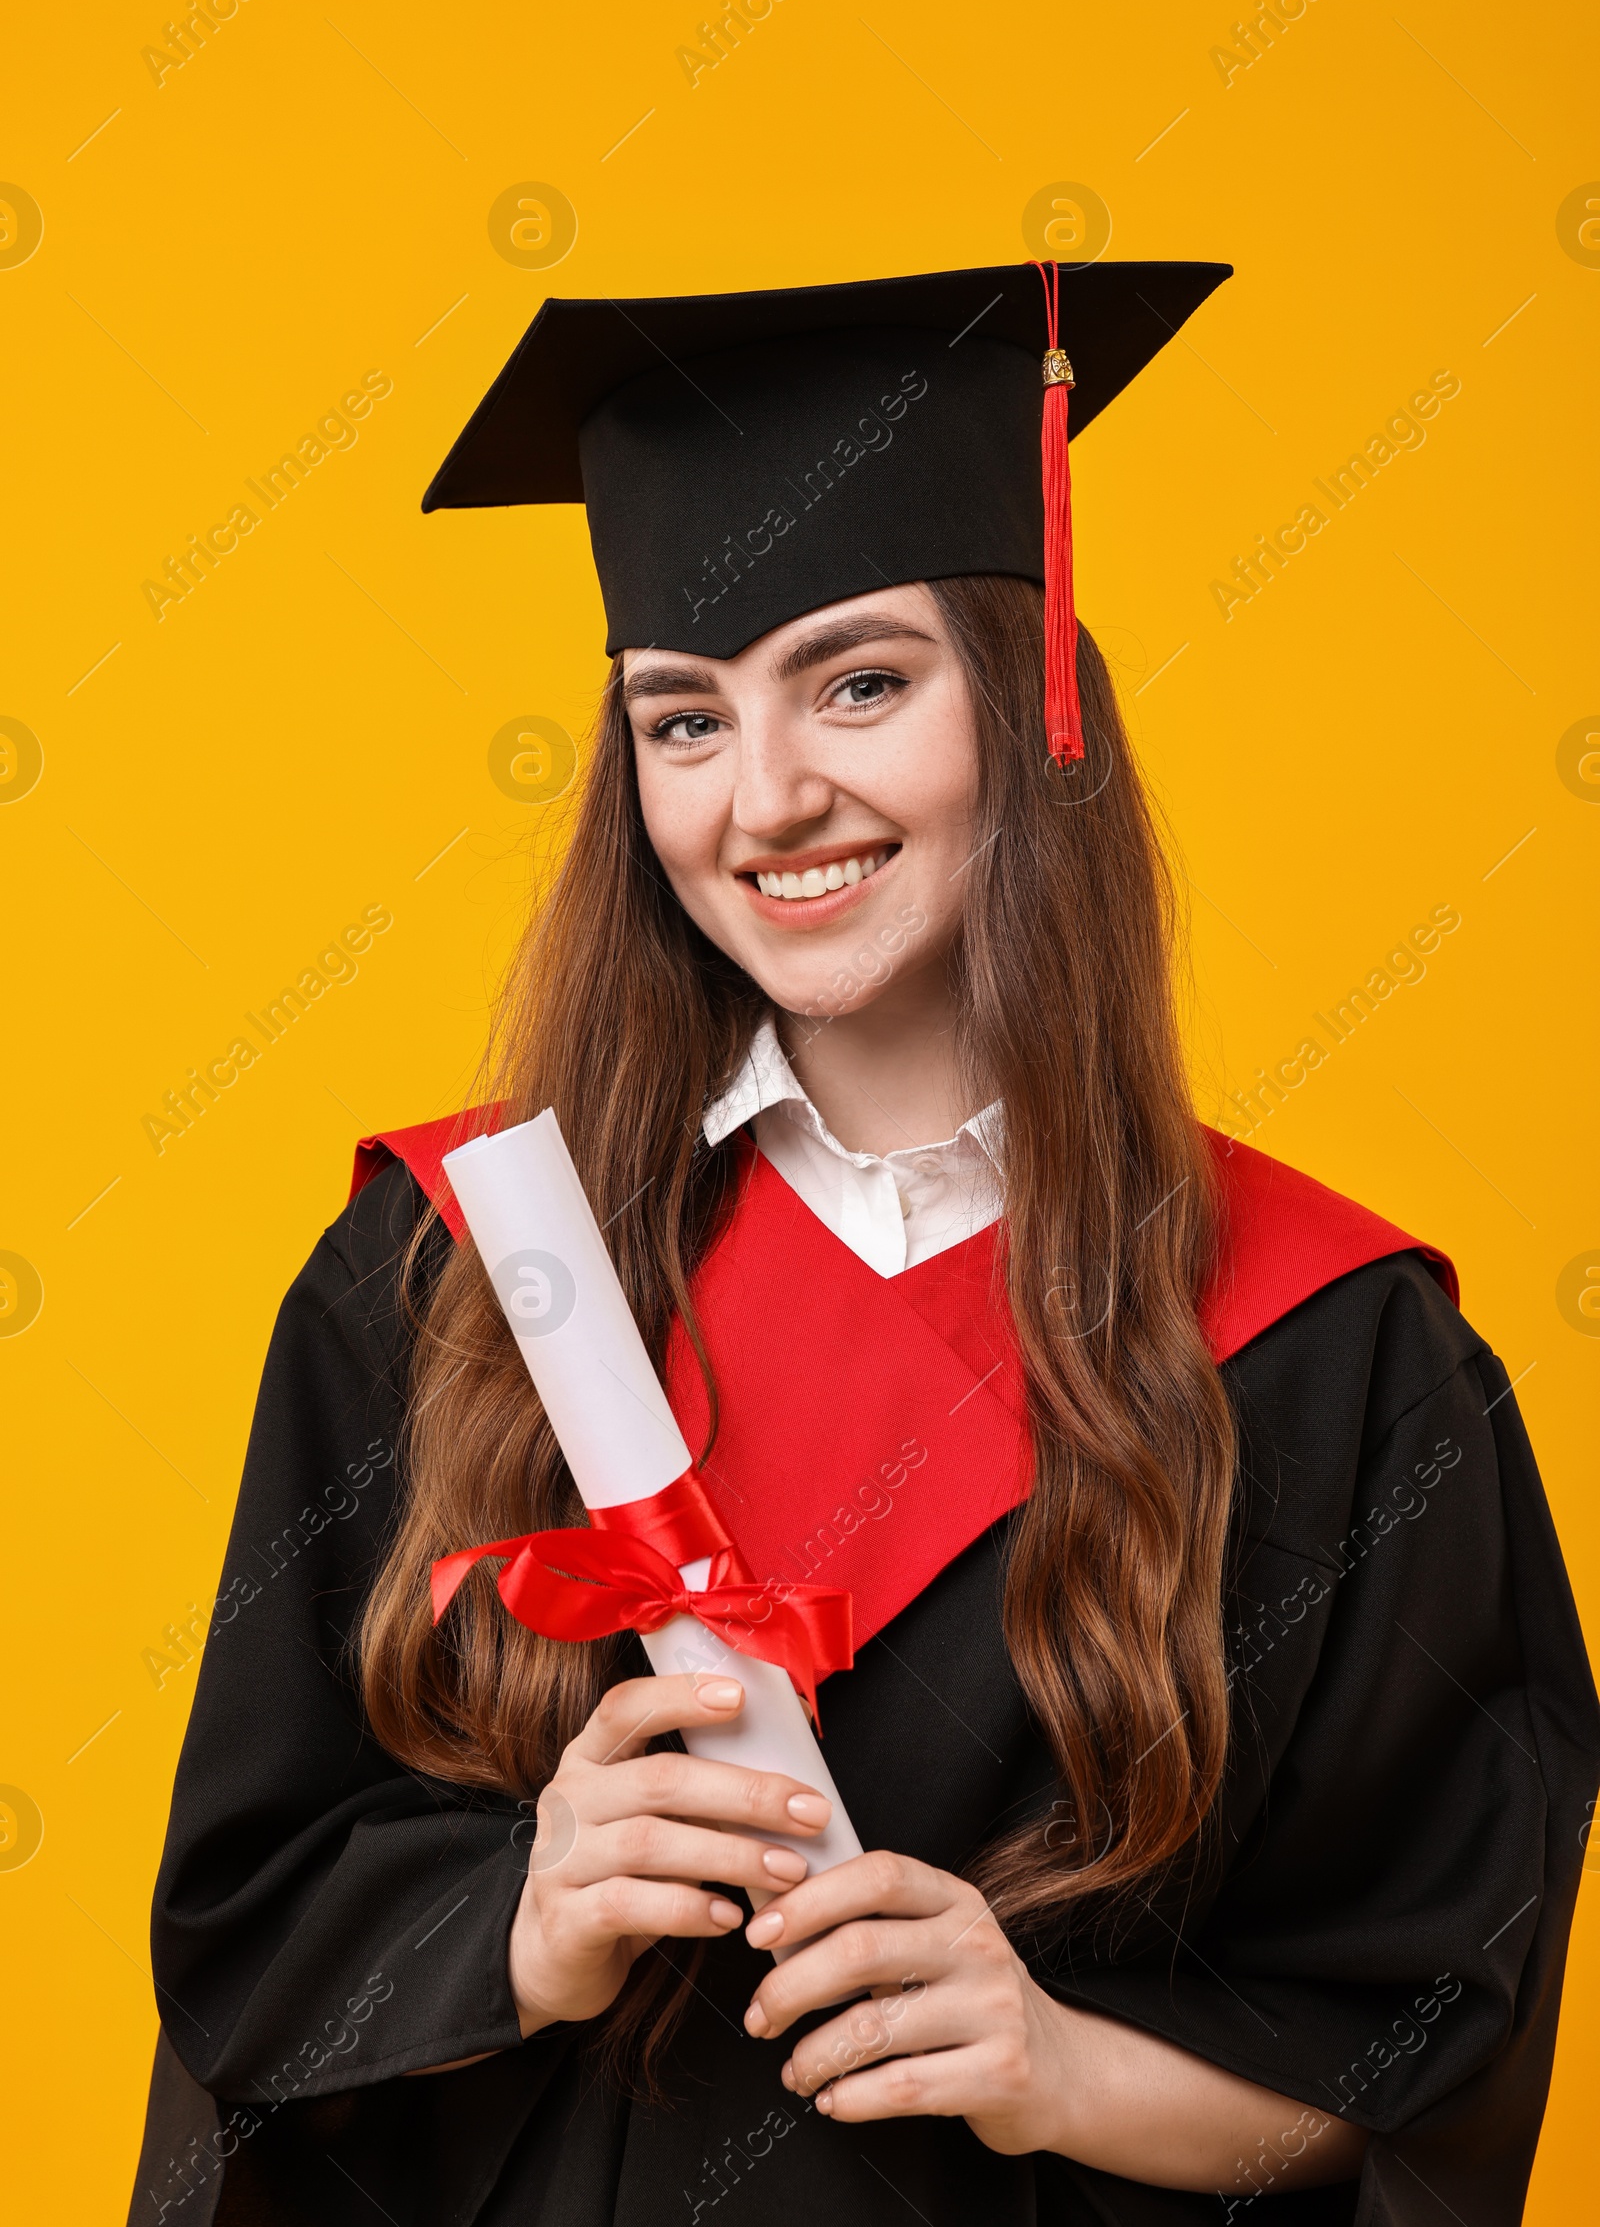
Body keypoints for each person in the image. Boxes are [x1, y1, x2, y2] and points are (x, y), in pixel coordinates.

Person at [135, 264, 1599, 2227]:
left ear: (1031, 700)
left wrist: (1054, 2064)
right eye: (680, 719)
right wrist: (520, 1919)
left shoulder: (1332, 1353)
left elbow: (1416, 2048)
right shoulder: (457, 1275)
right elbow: (251, 1937)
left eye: (857, 683)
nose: (765, 799)